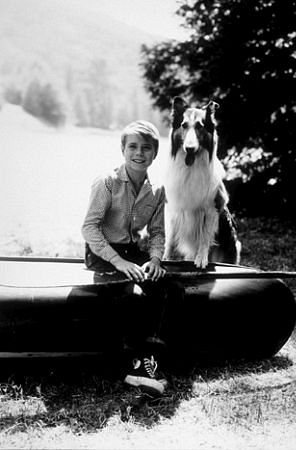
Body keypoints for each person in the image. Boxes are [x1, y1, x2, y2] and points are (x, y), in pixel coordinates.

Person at [82, 120, 182, 397]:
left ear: (155, 153)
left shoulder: (158, 189)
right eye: (133, 147)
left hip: (134, 253)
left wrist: (155, 259)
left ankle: (151, 359)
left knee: (170, 289)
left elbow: (158, 231)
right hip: (104, 254)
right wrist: (120, 263)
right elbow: (89, 228)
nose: (139, 153)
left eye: (146, 148)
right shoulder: (106, 182)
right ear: (123, 149)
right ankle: (133, 367)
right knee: (132, 297)